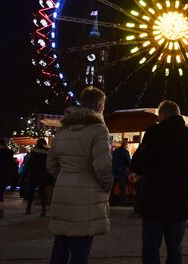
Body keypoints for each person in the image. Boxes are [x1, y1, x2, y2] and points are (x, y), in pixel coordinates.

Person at [46, 86, 113, 264]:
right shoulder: (99, 130)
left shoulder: (62, 130)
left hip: (63, 192)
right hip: (87, 196)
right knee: (81, 249)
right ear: (100, 106)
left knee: (60, 244)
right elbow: (103, 166)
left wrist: (65, 177)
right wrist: (106, 185)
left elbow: (51, 163)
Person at [130, 100, 188, 264]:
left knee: (151, 249)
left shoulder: (154, 133)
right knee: (175, 249)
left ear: (162, 115)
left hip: (154, 202)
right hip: (180, 203)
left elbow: (138, 165)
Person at [23, 138, 51, 216]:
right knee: (42, 193)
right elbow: (50, 165)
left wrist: (24, 176)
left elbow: (27, 165)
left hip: (32, 175)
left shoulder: (33, 153)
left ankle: (28, 208)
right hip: (43, 175)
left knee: (30, 192)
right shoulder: (48, 154)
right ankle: (43, 209)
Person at [0, 139, 15, 219]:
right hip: (4, 176)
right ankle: (1, 209)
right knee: (0, 193)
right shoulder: (9, 153)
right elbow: (12, 165)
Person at [112, 139, 131, 205]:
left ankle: (111, 201)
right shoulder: (125, 152)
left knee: (112, 188)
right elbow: (129, 162)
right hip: (122, 172)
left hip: (114, 172)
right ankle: (122, 202)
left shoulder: (115, 151)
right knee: (122, 189)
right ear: (125, 145)